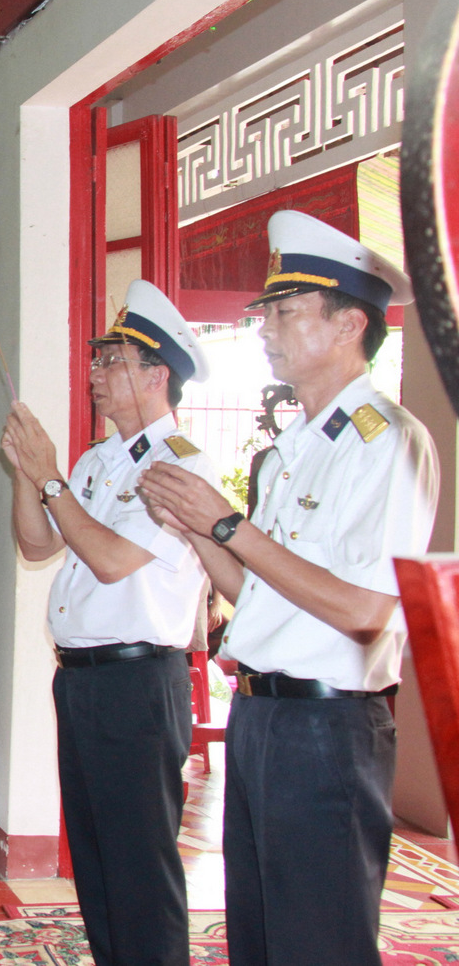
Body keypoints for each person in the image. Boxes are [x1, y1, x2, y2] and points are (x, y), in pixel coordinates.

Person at [139, 210, 438, 966]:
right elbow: (257, 594)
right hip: (265, 717)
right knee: (262, 937)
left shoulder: (387, 441)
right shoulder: (296, 448)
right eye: (266, 309)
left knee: (318, 938)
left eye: (285, 309)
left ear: (349, 324)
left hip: (329, 731)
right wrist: (196, 530)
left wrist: (230, 525)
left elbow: (368, 612)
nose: (266, 326)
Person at [3, 279, 215, 966]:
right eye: (97, 359)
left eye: (112, 360)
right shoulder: (99, 459)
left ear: (157, 376)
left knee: (140, 866)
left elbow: (112, 556)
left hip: (138, 684)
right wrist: (25, 475)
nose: (95, 373)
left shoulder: (176, 462)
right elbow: (39, 545)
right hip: (85, 682)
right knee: (95, 860)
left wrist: (51, 479)